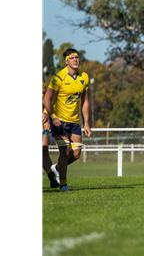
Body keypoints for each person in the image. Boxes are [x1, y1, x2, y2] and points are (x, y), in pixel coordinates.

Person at [43, 48, 92, 191]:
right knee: (64, 151)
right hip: (59, 121)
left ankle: (57, 168)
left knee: (76, 154)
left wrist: (87, 123)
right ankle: (63, 184)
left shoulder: (84, 77)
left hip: (75, 122)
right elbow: (47, 99)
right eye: (72, 58)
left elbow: (84, 102)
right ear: (66, 61)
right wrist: (53, 116)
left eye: (77, 57)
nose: (75, 59)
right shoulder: (58, 78)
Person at [42, 82, 59, 188]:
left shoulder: (42, 84)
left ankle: (52, 178)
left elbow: (48, 100)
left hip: (43, 122)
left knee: (44, 151)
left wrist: (46, 114)